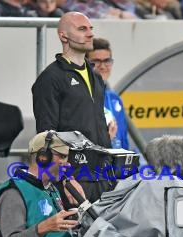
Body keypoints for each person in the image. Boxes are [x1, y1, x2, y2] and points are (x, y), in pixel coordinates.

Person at [32, 12, 116, 203]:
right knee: (77, 232)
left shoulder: (95, 76)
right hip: (74, 180)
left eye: (90, 29)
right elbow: (46, 137)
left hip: (103, 176)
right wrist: (65, 179)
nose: (90, 34)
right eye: (82, 29)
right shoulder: (50, 79)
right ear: (64, 36)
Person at [88, 38, 130, 150]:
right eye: (96, 61)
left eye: (107, 61)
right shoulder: (81, 97)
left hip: (117, 165)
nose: (102, 66)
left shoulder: (114, 98)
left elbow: (124, 140)